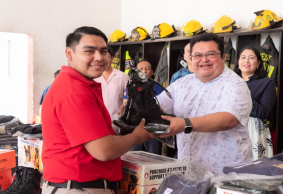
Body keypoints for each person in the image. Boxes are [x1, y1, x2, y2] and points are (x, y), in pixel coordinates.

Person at [41, 26, 155, 194]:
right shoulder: (74, 91)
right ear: (69, 53)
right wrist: (136, 137)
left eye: (104, 51)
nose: (99, 58)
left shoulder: (79, 85)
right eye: (89, 51)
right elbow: (104, 150)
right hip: (79, 188)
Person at [156, 33, 253, 174]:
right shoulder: (181, 84)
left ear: (223, 57)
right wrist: (139, 106)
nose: (204, 60)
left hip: (226, 176)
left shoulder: (235, 85)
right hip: (189, 173)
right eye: (197, 55)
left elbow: (229, 119)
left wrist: (185, 124)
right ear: (191, 58)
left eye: (210, 54)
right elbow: (159, 105)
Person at [234, 46, 276, 160]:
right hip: (231, 129)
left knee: (254, 171)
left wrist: (242, 94)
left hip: (254, 131)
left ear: (258, 64)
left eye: (251, 57)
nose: (246, 61)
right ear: (238, 62)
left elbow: (263, 112)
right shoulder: (230, 82)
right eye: (243, 57)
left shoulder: (267, 83)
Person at [118, 60, 163, 155]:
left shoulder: (158, 87)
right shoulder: (131, 86)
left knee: (153, 156)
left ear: (152, 72)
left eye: (147, 69)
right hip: (134, 128)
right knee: (134, 155)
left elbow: (163, 107)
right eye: (141, 69)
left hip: (152, 128)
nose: (144, 71)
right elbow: (126, 103)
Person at [94, 47, 129, 131]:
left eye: (107, 57)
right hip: (98, 124)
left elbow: (129, 99)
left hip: (118, 124)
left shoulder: (123, 77)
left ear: (112, 59)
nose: (103, 60)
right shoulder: (93, 78)